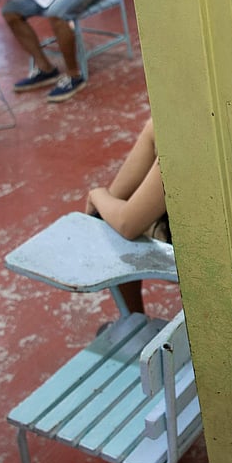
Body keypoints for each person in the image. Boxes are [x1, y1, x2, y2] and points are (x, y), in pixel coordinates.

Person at [85, 117, 168, 315]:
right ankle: (133, 319)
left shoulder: (183, 132)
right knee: (153, 126)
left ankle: (133, 317)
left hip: (212, 247)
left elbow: (127, 224)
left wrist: (96, 195)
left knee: (113, 226)